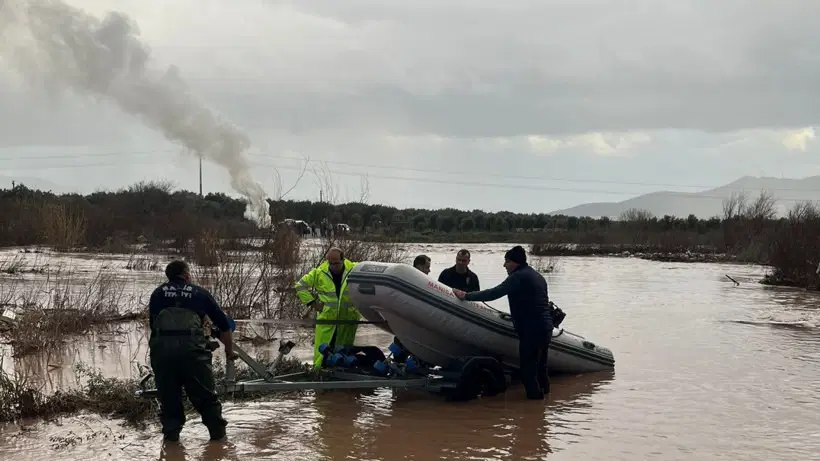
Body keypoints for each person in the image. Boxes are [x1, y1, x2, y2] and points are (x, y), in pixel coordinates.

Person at [147, 260, 237, 443]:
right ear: (186, 275)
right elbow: (224, 326)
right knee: (207, 399)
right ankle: (219, 444)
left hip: (163, 354)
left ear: (168, 276)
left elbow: (153, 325)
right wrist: (229, 351)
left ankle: (171, 445)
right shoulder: (199, 293)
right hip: (193, 354)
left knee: (169, 401)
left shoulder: (157, 293)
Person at [452, 245, 553, 400]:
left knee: (528, 370)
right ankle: (546, 403)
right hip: (545, 327)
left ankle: (534, 405)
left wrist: (466, 296)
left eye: (507, 261)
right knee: (541, 367)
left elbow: (494, 293)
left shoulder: (518, 276)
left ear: (515, 262)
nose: (504, 265)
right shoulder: (537, 276)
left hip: (531, 329)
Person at [295, 247, 360, 368]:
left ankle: (342, 372)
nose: (333, 266)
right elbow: (300, 286)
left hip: (347, 321)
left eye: (336, 263)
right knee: (323, 351)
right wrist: (312, 303)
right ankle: (319, 372)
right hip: (327, 320)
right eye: (330, 263)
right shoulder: (319, 273)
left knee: (345, 352)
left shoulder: (354, 269)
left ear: (343, 260)